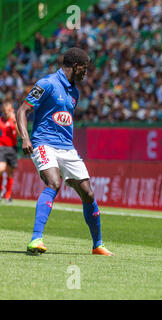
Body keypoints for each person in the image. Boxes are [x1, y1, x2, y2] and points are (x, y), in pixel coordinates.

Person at [16, 47, 114, 256]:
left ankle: (97, 245)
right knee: (54, 183)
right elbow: (22, 110)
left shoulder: (74, 92)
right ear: (76, 66)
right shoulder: (47, 84)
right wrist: (25, 137)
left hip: (67, 148)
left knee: (88, 193)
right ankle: (36, 239)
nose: (86, 73)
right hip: (44, 144)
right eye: (84, 69)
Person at [0, 101, 18, 202]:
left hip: (12, 148)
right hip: (2, 148)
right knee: (1, 169)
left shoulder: (14, 121)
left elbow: (19, 134)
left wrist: (15, 122)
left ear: (12, 110)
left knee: (10, 173)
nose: (6, 112)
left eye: (8, 110)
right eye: (5, 110)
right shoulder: (1, 120)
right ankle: (1, 189)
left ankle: (8, 195)